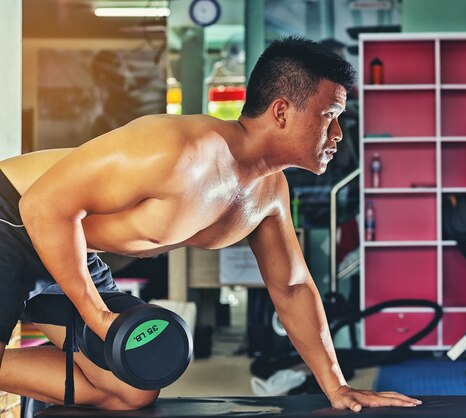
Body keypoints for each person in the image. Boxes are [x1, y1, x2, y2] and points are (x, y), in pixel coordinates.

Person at [0, 36, 420, 412]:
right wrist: (97, 316)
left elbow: (291, 287)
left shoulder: (268, 193)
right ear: (281, 112)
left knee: (132, 384)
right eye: (329, 115)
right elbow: (43, 206)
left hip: (67, 250)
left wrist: (337, 387)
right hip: (11, 218)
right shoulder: (179, 151)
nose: (338, 134)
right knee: (122, 354)